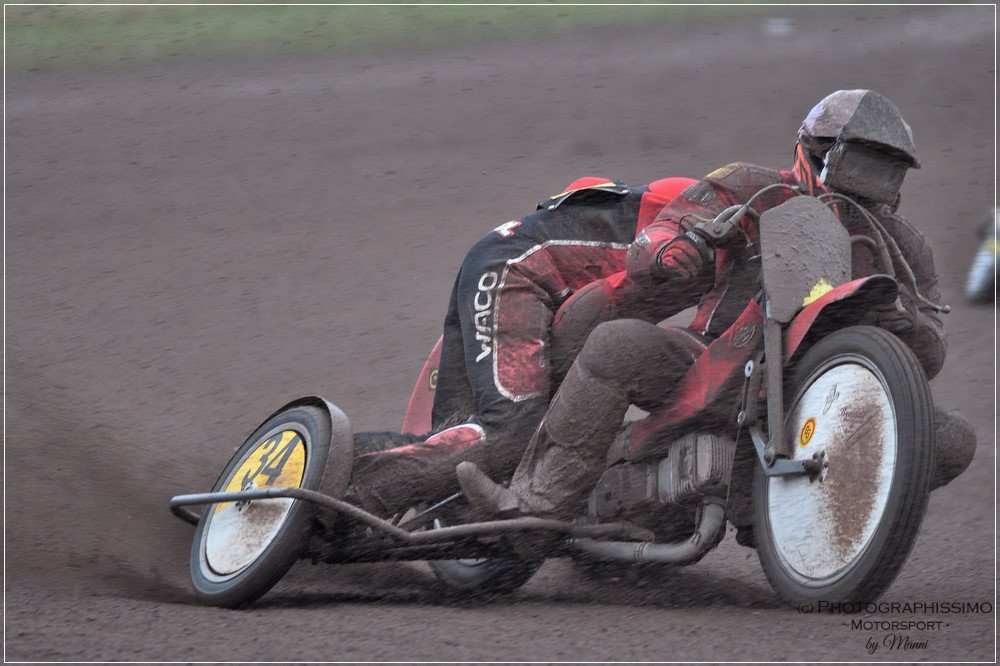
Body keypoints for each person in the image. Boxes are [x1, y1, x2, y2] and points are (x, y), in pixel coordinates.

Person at [456, 89, 978, 525]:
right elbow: (668, 226)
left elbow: (931, 346)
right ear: (818, 151)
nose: (867, 177)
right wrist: (670, 247)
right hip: (714, 355)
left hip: (828, 389)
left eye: (883, 168)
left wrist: (906, 327)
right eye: (858, 160)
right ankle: (532, 508)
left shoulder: (907, 247)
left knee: (950, 439)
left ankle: (817, 527)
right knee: (617, 344)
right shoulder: (750, 185)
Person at [349, 175, 698, 515]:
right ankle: (341, 482)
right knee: (512, 431)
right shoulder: (706, 207)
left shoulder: (697, 230)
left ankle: (352, 469)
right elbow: (588, 311)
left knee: (459, 437)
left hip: (517, 264)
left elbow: (583, 191)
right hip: (515, 269)